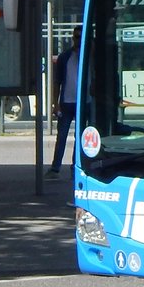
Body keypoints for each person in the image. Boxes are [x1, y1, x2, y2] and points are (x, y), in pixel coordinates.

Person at [47, 25, 81, 178]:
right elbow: (57, 81)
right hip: (67, 102)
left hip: (83, 103)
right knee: (61, 136)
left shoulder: (90, 56)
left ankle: (76, 166)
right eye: (76, 37)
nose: (78, 41)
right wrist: (55, 103)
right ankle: (56, 167)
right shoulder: (65, 57)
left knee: (79, 137)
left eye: (81, 37)